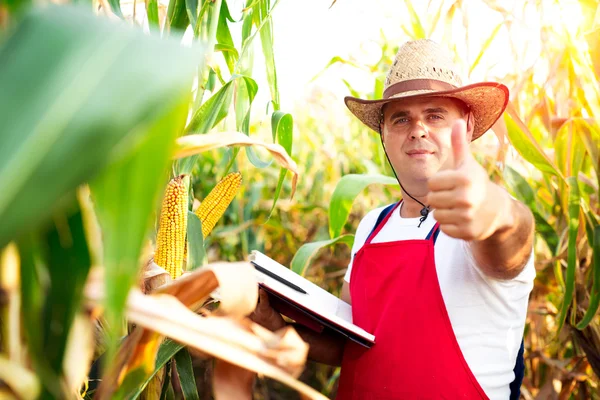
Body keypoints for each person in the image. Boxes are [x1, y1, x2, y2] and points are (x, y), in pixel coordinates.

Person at [251, 39, 535, 400]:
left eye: (435, 115)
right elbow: (350, 345)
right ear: (383, 134)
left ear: (466, 127)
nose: (418, 129)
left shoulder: (486, 217)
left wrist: (491, 210)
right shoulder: (372, 226)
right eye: (401, 118)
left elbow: (512, 234)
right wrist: (276, 325)